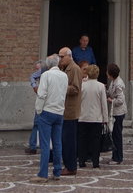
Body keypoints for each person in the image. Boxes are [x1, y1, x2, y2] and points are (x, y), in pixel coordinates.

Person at [34, 53, 66, 182]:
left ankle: (43, 174)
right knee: (57, 143)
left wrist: (38, 110)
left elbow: (41, 94)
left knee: (45, 144)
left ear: (48, 65)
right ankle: (57, 171)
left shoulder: (46, 75)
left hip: (47, 111)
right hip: (59, 112)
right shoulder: (64, 76)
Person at [78, 64, 108, 169]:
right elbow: (103, 104)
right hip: (96, 117)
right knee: (96, 141)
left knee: (82, 140)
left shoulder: (82, 85)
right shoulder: (100, 86)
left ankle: (81, 160)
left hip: (83, 116)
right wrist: (105, 119)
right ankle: (95, 162)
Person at [58, 47, 83, 176]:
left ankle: (71, 167)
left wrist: (61, 87)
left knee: (69, 141)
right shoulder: (63, 69)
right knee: (64, 139)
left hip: (70, 111)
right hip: (63, 110)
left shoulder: (75, 69)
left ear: (69, 56)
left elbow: (76, 89)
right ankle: (67, 164)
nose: (60, 59)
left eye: (62, 57)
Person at [106, 63, 126, 164]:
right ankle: (115, 156)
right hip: (116, 112)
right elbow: (110, 92)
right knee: (115, 135)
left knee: (117, 135)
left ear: (111, 73)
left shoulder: (118, 84)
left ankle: (118, 157)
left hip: (119, 113)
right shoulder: (113, 81)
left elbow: (121, 100)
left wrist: (111, 100)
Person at [26, 58, 44, 154]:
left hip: (43, 100)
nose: (38, 71)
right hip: (42, 99)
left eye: (38, 69)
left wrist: (34, 86)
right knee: (38, 123)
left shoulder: (44, 70)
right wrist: (34, 86)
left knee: (37, 123)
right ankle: (34, 145)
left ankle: (33, 145)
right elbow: (33, 76)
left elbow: (32, 76)